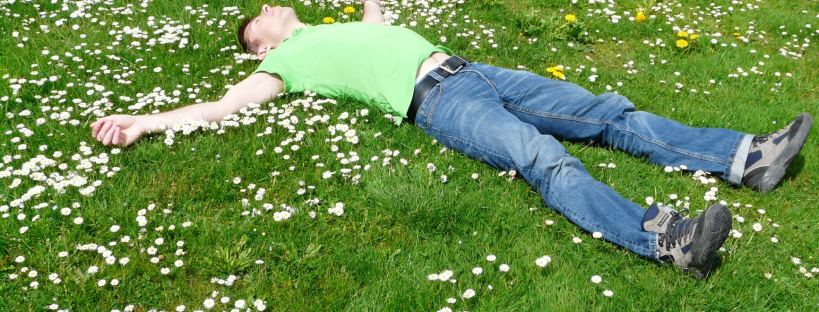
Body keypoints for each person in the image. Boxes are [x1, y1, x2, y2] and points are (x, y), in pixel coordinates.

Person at [90, 1, 813, 279]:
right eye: (259, 17)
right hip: (434, 102)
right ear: (257, 47)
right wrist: (145, 121)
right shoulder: (281, 64)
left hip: (476, 71)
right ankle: (666, 240)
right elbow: (220, 109)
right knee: (542, 158)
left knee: (604, 110)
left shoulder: (340, 29)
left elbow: (378, 18)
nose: (270, 6)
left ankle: (744, 157)